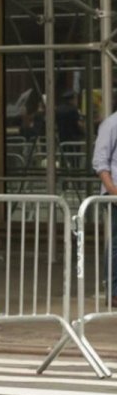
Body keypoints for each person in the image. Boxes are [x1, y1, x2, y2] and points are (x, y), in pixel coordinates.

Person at [91, 105, 117, 304]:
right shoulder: (111, 124)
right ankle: (114, 289)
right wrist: (112, 190)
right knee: (116, 243)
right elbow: (100, 162)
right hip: (115, 193)